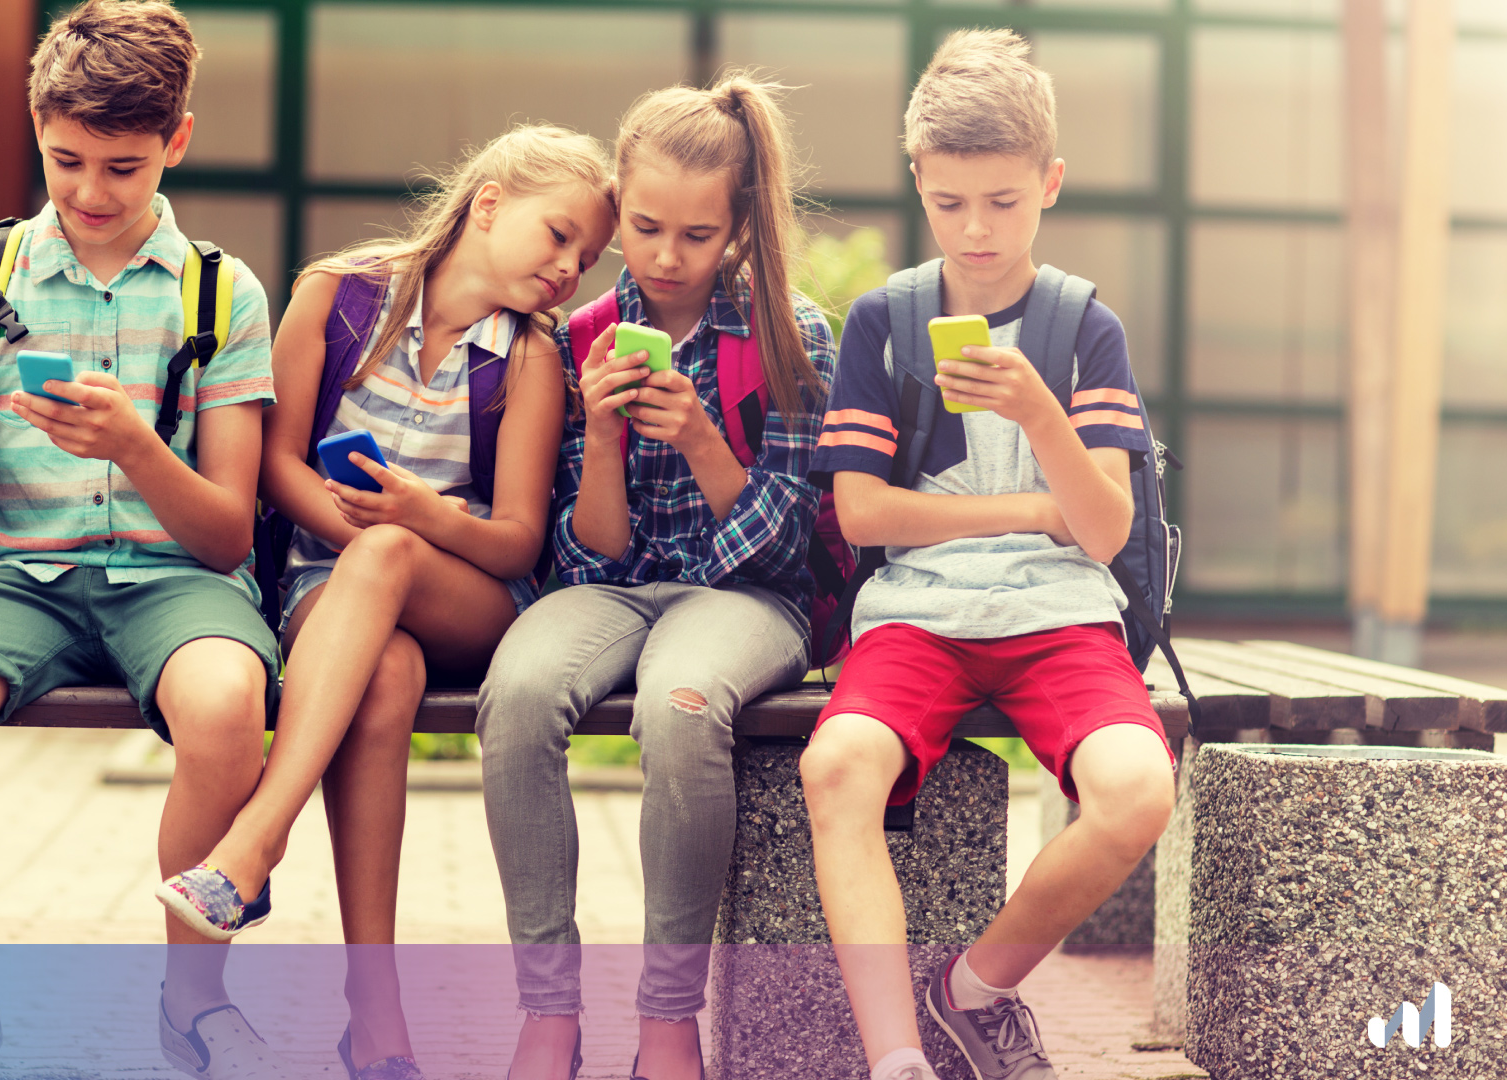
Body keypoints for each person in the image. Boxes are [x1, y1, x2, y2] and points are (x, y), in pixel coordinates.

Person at [0, 3, 293, 1078]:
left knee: (228, 704)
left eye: (123, 168)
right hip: (17, 580)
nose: (89, 193)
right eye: (65, 160)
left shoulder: (221, 293)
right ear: (36, 125)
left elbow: (228, 532)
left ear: (177, 141)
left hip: (177, 580)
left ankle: (192, 1003)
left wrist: (137, 446)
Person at [154, 125, 613, 1078]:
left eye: (587, 257)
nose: (571, 268)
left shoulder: (529, 360)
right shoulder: (336, 295)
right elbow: (273, 465)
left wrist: (408, 524)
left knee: (394, 559)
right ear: (489, 204)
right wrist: (367, 544)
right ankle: (377, 1018)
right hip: (330, 596)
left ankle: (253, 843)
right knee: (385, 675)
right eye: (559, 235)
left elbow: (518, 540)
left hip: (472, 599)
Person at [800, 29, 1178, 1080]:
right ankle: (897, 1059)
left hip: (1061, 617)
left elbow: (1102, 531)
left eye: (1004, 203)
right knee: (837, 768)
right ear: (918, 177)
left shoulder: (1080, 328)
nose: (976, 229)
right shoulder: (885, 320)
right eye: (951, 201)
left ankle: (973, 989)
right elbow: (864, 515)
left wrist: (1042, 415)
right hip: (917, 618)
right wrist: (1029, 508)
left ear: (1049, 184)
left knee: (1140, 788)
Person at [476, 73, 837, 1080]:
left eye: (697, 235)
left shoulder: (791, 336)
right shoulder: (573, 339)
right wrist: (598, 433)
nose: (667, 258)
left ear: (738, 229)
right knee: (518, 695)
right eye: (643, 228)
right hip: (616, 588)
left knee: (681, 707)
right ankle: (549, 1012)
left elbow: (788, 551)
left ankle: (667, 1019)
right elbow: (581, 559)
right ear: (618, 208)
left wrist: (704, 442)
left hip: (745, 598)